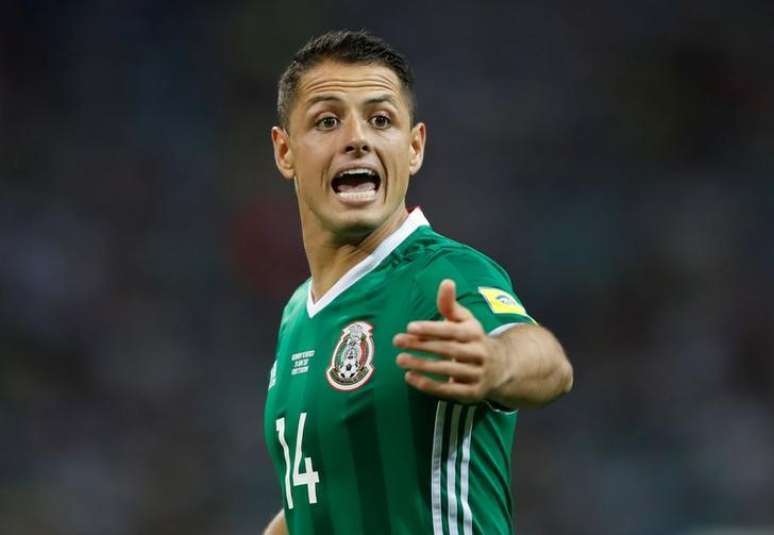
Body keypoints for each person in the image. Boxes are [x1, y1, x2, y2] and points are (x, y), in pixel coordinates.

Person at [262, 30, 573, 535]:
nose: (357, 138)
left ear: (413, 147)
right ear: (285, 151)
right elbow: (319, 502)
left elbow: (548, 363)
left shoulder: (440, 274)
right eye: (327, 121)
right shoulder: (299, 312)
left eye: (380, 119)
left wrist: (495, 363)